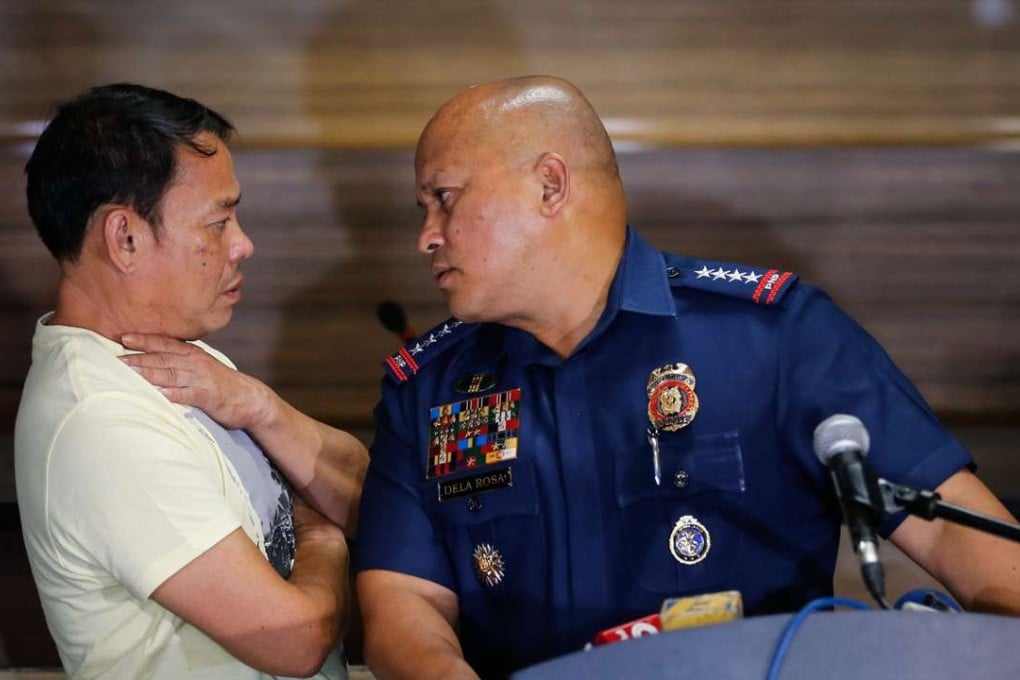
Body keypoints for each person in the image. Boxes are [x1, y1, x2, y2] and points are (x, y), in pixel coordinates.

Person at [354, 75, 1020, 679]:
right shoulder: (429, 390)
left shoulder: (775, 336)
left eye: (443, 200)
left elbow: (953, 531)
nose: (427, 237)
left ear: (550, 186)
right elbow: (403, 602)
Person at [15, 83, 368, 679]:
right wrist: (325, 540)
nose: (242, 244)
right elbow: (294, 640)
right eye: (219, 222)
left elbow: (361, 488)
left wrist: (257, 404)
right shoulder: (99, 418)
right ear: (125, 238)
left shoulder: (176, 355)